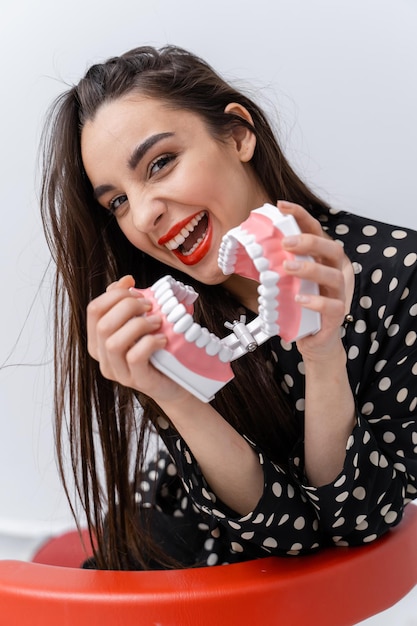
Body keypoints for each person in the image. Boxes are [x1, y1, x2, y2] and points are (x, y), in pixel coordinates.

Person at [39, 44, 417, 571]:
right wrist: (168, 389)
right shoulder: (164, 310)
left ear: (238, 134)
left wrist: (324, 355)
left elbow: (356, 523)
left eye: (161, 163)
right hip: (170, 542)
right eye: (117, 202)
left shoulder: (400, 275)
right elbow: (258, 531)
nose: (144, 216)